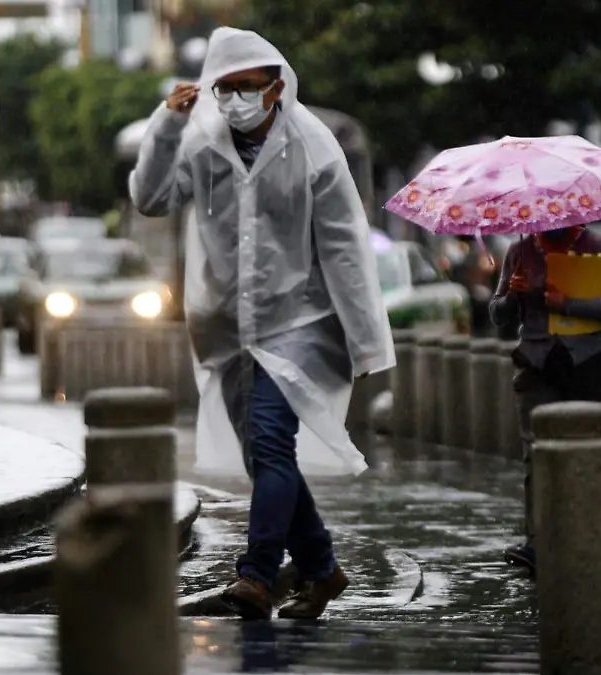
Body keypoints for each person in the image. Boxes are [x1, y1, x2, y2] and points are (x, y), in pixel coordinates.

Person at [129, 26, 395, 621]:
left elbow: (345, 246)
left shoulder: (313, 146)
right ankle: (322, 570)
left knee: (273, 440)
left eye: (248, 86)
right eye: (225, 87)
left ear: (276, 88)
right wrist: (166, 124)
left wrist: (368, 341)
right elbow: (151, 199)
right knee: (264, 456)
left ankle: (257, 574)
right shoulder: (201, 144)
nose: (236, 99)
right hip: (225, 327)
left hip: (300, 320)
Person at [488, 224, 601, 576]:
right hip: (537, 364)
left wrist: (568, 303)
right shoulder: (518, 251)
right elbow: (497, 315)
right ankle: (538, 542)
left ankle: (594, 536)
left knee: (592, 454)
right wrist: (511, 295)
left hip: (590, 364)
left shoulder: (598, 245)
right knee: (535, 455)